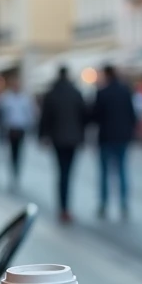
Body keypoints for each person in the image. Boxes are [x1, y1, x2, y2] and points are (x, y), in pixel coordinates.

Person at [38, 66, 89, 224]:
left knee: (61, 173)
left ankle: (63, 207)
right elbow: (85, 116)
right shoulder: (76, 92)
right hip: (73, 139)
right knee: (68, 173)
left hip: (57, 139)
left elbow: (45, 118)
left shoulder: (51, 94)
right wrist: (82, 137)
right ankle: (66, 207)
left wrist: (43, 136)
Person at [90, 64, 138, 219]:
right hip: (122, 137)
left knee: (104, 173)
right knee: (122, 171)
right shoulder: (125, 92)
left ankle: (104, 203)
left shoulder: (102, 93)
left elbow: (95, 116)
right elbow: (132, 115)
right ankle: (123, 203)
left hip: (106, 138)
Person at [0, 77, 38, 188]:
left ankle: (17, 173)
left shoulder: (25, 99)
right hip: (10, 128)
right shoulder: (6, 98)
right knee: (12, 152)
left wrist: (30, 127)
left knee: (18, 153)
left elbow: (30, 115)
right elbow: (2, 114)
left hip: (20, 129)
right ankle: (12, 173)